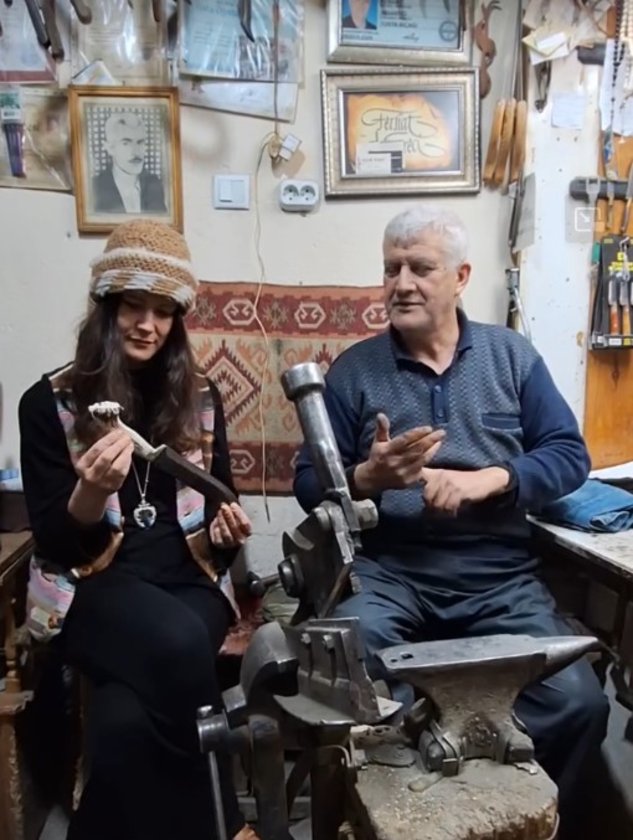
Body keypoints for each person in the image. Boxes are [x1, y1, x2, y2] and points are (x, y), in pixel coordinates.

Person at [293, 205, 609, 840]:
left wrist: (493, 478)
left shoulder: (511, 357)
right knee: (352, 685)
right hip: (390, 575)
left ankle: (513, 816)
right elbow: (306, 481)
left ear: (461, 276)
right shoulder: (355, 370)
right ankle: (415, 816)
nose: (401, 283)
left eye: (421, 268)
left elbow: (569, 456)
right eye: (391, 269)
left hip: (499, 579)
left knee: (577, 704)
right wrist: (366, 477)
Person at [19, 219, 259, 840]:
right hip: (91, 587)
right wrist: (91, 494)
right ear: (106, 305)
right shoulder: (48, 404)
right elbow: (56, 543)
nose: (148, 324)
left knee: (124, 723)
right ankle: (228, 825)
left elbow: (218, 497)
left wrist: (226, 525)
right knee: (178, 645)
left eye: (164, 311)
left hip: (191, 579)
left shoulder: (201, 397)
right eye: (133, 305)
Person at [93, 112, 166, 215]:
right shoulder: (94, 189)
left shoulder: (154, 185)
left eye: (140, 142)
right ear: (110, 148)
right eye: (126, 143)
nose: (135, 152)